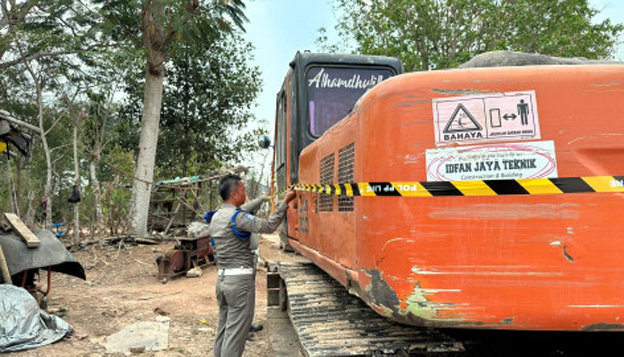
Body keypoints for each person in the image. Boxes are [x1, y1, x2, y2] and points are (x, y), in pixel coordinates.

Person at [209, 174, 296, 357]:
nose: (244, 194)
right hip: (239, 283)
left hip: (222, 280)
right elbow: (269, 225)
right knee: (235, 336)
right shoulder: (238, 217)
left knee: (223, 331)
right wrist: (285, 202)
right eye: (243, 190)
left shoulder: (215, 217)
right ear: (233, 194)